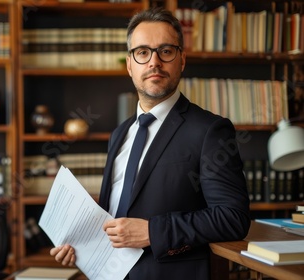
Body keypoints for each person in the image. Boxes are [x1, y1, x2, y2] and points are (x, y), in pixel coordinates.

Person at [50, 7, 251, 280]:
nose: (154, 62)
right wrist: (82, 245)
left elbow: (232, 218)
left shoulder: (210, 130)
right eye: (143, 52)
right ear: (130, 64)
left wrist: (152, 231)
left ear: (181, 60)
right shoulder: (119, 134)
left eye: (165, 51)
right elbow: (116, 215)